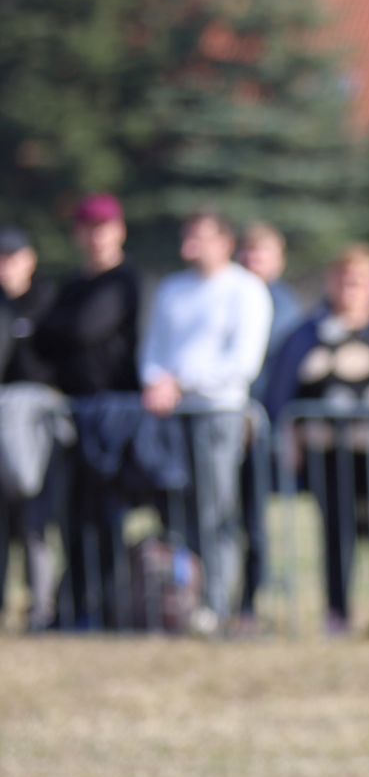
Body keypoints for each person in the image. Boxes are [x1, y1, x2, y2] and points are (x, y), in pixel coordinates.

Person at [266, 245, 369, 636]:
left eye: (359, 281)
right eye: (343, 280)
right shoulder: (309, 332)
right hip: (329, 451)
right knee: (337, 533)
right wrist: (288, 437)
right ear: (331, 282)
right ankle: (337, 615)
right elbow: (282, 393)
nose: (351, 289)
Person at [139, 209, 273, 633]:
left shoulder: (245, 290)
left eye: (199, 238)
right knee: (176, 511)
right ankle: (180, 601)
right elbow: (154, 349)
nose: (188, 247)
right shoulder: (173, 289)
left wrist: (182, 383)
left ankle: (217, 603)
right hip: (169, 416)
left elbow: (242, 363)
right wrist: (157, 382)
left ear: (225, 242)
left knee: (217, 511)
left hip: (219, 413)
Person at [33, 195, 142, 627]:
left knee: (106, 514)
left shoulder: (124, 282)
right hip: (75, 411)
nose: (96, 238)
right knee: (74, 515)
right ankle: (75, 605)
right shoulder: (73, 285)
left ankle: (105, 605)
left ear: (120, 231)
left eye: (104, 228)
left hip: (114, 413)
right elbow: (43, 338)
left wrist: (56, 329)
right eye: (89, 229)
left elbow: (82, 329)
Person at [229, 221, 306, 631]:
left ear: (280, 260)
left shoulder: (285, 307)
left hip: (260, 429)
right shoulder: (226, 295)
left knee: (252, 523)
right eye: (247, 251)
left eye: (262, 253)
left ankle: (247, 605)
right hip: (223, 422)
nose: (253, 260)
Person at [0, 227, 62, 630]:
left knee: (35, 517)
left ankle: (42, 608)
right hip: (4, 418)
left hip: (37, 422)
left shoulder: (48, 299)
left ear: (30, 260)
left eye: (11, 258)